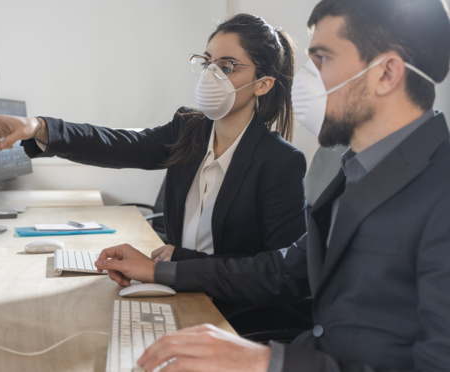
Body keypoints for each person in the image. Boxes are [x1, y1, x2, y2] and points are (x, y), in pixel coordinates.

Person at [94, 0, 450, 371]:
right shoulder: (360, 169)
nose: (308, 79)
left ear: (387, 73)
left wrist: (270, 361)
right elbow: (283, 269)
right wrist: (161, 272)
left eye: (323, 59)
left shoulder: (440, 191)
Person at [0, 17, 306, 275]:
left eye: (227, 67)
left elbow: (279, 273)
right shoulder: (190, 131)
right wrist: (37, 128)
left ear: (262, 85)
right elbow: (117, 144)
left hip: (236, 318)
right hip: (181, 289)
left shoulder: (279, 162)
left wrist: (176, 267)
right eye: (207, 63)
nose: (210, 75)